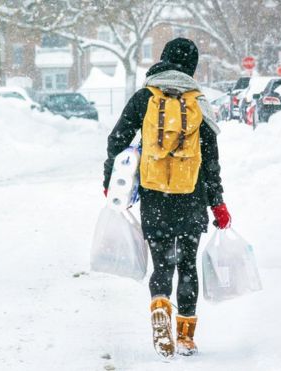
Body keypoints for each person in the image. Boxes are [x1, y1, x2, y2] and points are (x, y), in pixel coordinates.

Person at [102, 38, 231, 359]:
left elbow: (117, 138)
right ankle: (186, 337)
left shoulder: (146, 96)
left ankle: (160, 308)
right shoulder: (198, 102)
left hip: (155, 193)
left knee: (162, 263)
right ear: (192, 66)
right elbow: (211, 160)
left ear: (163, 59)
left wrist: (112, 182)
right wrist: (217, 202)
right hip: (191, 194)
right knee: (187, 264)